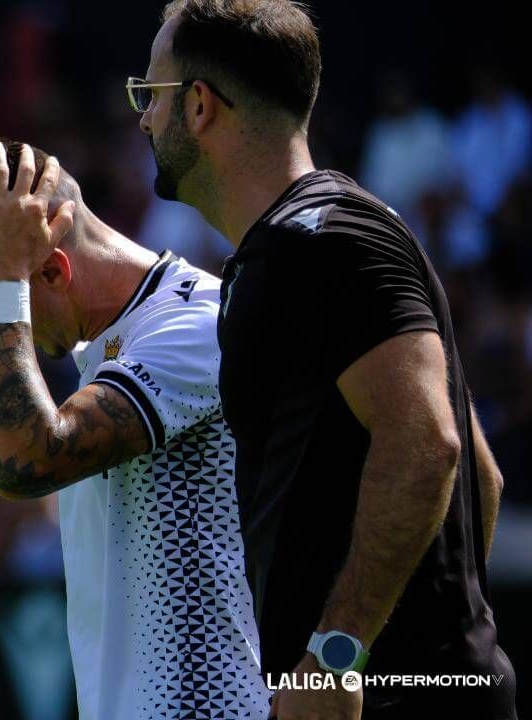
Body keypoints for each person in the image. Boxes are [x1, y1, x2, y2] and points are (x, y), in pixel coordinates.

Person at [131, 1, 516, 718]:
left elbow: (430, 446)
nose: (144, 121)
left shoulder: (321, 240)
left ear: (201, 106)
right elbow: (479, 477)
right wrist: (437, 643)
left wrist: (341, 657)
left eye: (149, 97)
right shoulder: (301, 241)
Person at [0, 139, 271, 719]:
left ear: (50, 270)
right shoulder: (108, 352)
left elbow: (25, 460)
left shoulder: (197, 325)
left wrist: (3, 279)